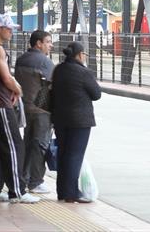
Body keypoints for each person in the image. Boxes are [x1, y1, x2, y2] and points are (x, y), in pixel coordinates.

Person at [0, 14, 39, 204]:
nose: (11, 31)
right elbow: (6, 78)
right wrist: (19, 90)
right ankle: (18, 191)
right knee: (14, 145)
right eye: (8, 28)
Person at [50, 41, 101, 204]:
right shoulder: (83, 72)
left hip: (59, 118)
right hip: (80, 121)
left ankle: (62, 191)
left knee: (63, 153)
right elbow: (96, 94)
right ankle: (71, 193)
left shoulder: (58, 70)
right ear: (80, 55)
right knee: (74, 155)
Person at [14, 30, 55, 194]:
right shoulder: (44, 62)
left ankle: (23, 177)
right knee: (40, 145)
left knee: (28, 142)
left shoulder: (21, 59)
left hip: (25, 107)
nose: (51, 45)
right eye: (48, 42)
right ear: (39, 43)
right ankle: (36, 181)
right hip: (42, 109)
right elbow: (52, 86)